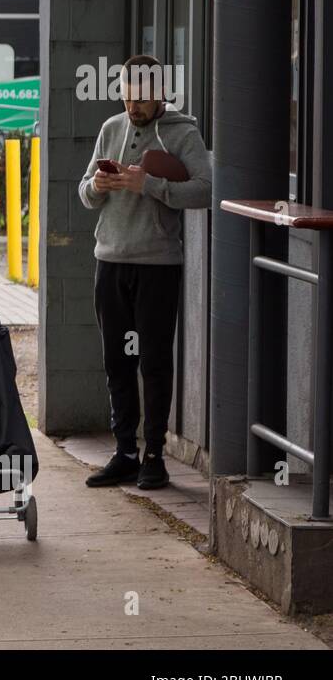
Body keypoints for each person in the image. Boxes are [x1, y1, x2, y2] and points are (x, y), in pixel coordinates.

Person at [78, 54, 211, 490]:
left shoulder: (183, 133)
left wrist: (149, 185)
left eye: (141, 98)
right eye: (127, 96)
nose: (132, 106)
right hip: (110, 260)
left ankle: (154, 456)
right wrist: (98, 186)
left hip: (158, 264)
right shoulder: (110, 129)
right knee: (117, 361)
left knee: (153, 362)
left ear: (160, 95)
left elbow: (205, 191)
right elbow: (84, 193)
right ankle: (125, 453)